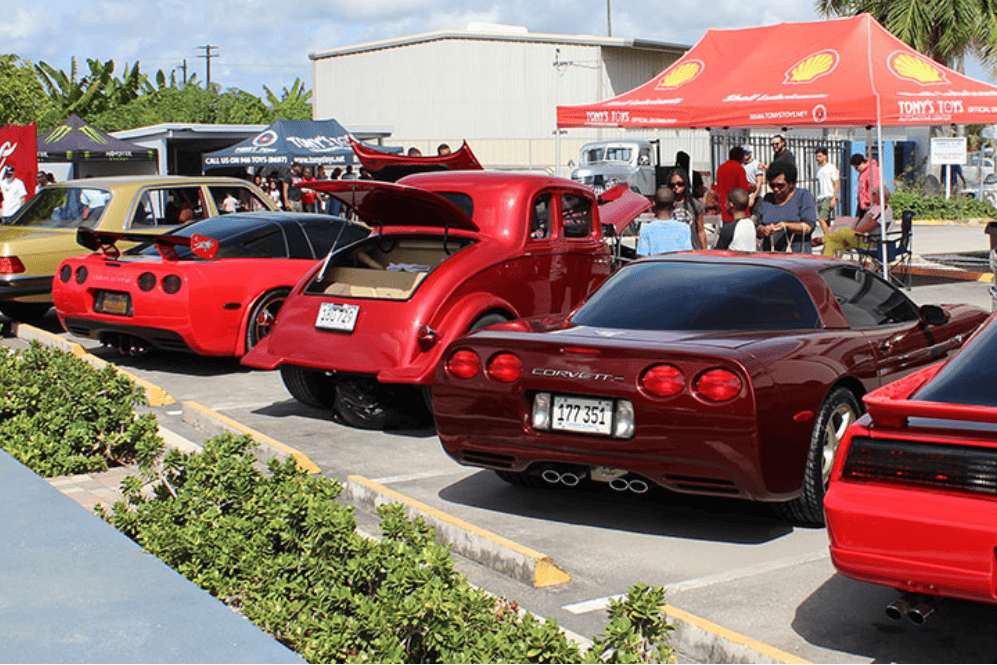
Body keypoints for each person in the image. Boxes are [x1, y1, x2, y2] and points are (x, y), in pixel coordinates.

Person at [757, 161, 817, 253]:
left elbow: (808, 227)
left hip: (797, 257)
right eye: (772, 185)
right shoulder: (767, 199)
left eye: (780, 185)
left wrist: (786, 226)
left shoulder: (803, 196)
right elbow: (758, 227)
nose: (776, 189)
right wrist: (764, 230)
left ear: (791, 183)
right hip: (771, 257)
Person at [636, 186, 694, 256]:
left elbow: (642, 258)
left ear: (654, 204)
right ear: (674, 204)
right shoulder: (685, 228)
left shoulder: (646, 230)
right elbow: (687, 256)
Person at [667, 169, 707, 249]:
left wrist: (704, 250)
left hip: (692, 249)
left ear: (686, 184)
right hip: (672, 250)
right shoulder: (667, 205)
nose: (676, 187)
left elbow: (700, 230)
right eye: (673, 185)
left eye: (680, 184)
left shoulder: (695, 204)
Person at [714, 146, 753, 225]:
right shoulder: (739, 168)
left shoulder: (721, 167)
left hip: (725, 205)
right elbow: (744, 188)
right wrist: (752, 188)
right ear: (741, 157)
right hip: (738, 208)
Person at [814, 147, 840, 236]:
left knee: (821, 219)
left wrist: (834, 198)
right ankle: (832, 240)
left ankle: (828, 240)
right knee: (826, 222)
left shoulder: (832, 168)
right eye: (817, 156)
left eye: (820, 156)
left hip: (828, 196)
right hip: (820, 197)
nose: (818, 158)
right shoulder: (818, 168)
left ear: (825, 156)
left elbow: (836, 183)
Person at [850, 153, 880, 219]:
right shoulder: (863, 172)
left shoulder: (873, 170)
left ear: (862, 162)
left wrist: (869, 201)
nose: (856, 169)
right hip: (862, 204)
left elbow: (874, 187)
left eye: (856, 167)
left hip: (869, 204)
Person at [741, 146, 764, 210]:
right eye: (743, 153)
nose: (745, 155)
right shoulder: (741, 165)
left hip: (756, 198)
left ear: (750, 153)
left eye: (747, 153)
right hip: (744, 198)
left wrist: (753, 198)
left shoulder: (756, 164)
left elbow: (759, 183)